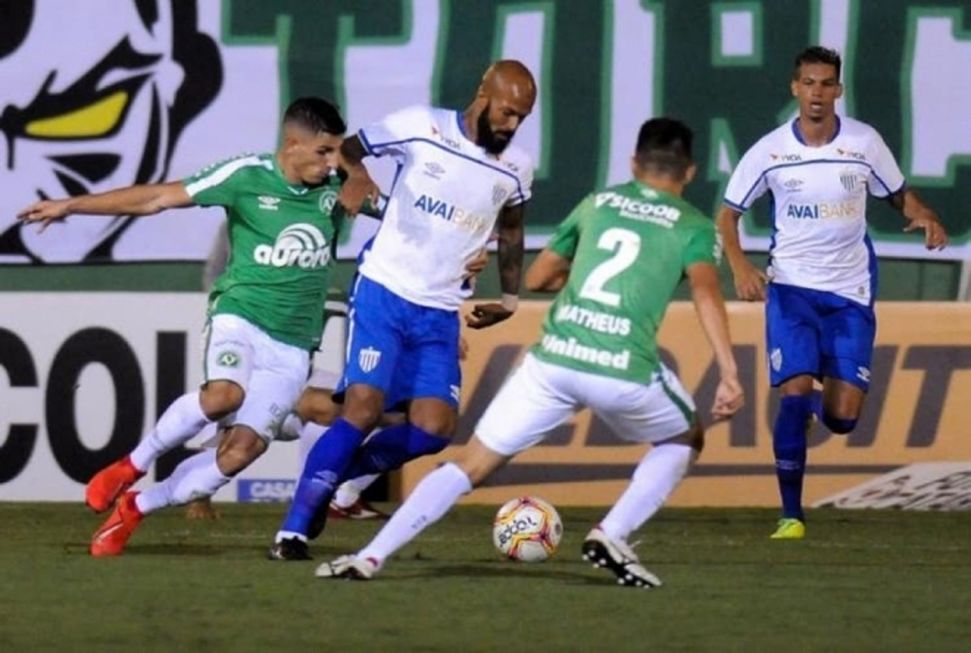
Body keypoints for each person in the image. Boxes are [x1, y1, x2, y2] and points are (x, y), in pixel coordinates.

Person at [315, 117, 745, 587]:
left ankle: (371, 558)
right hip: (622, 366)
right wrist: (728, 371)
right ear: (690, 172)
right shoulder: (694, 227)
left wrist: (578, 277)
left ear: (634, 163)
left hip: (553, 361)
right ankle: (612, 532)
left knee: (470, 463)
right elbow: (706, 292)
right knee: (686, 438)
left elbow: (540, 279)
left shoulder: (597, 204)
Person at [18, 97, 351, 556]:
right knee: (223, 396)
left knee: (241, 452)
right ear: (292, 144)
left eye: (338, 152)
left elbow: (400, 218)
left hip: (295, 345)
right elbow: (157, 197)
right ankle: (132, 464)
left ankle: (137, 506)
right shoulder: (245, 176)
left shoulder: (341, 184)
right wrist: (72, 205)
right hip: (242, 315)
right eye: (324, 152)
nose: (334, 162)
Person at [269, 60, 537, 558]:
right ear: (484, 92)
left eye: (522, 117)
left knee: (435, 429)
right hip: (384, 289)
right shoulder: (422, 126)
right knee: (364, 408)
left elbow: (514, 228)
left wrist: (509, 298)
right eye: (507, 112)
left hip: (438, 309)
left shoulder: (516, 166)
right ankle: (294, 530)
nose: (512, 125)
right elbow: (350, 148)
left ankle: (333, 475)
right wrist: (356, 175)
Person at [716, 46, 948, 540]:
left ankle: (818, 404)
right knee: (794, 392)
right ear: (794, 88)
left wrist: (924, 215)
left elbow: (897, 193)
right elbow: (728, 213)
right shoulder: (771, 151)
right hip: (792, 289)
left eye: (826, 84)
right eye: (808, 83)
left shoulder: (864, 143)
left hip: (850, 292)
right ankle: (791, 515)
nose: (817, 94)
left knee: (843, 419)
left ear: (838, 90)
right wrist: (739, 266)